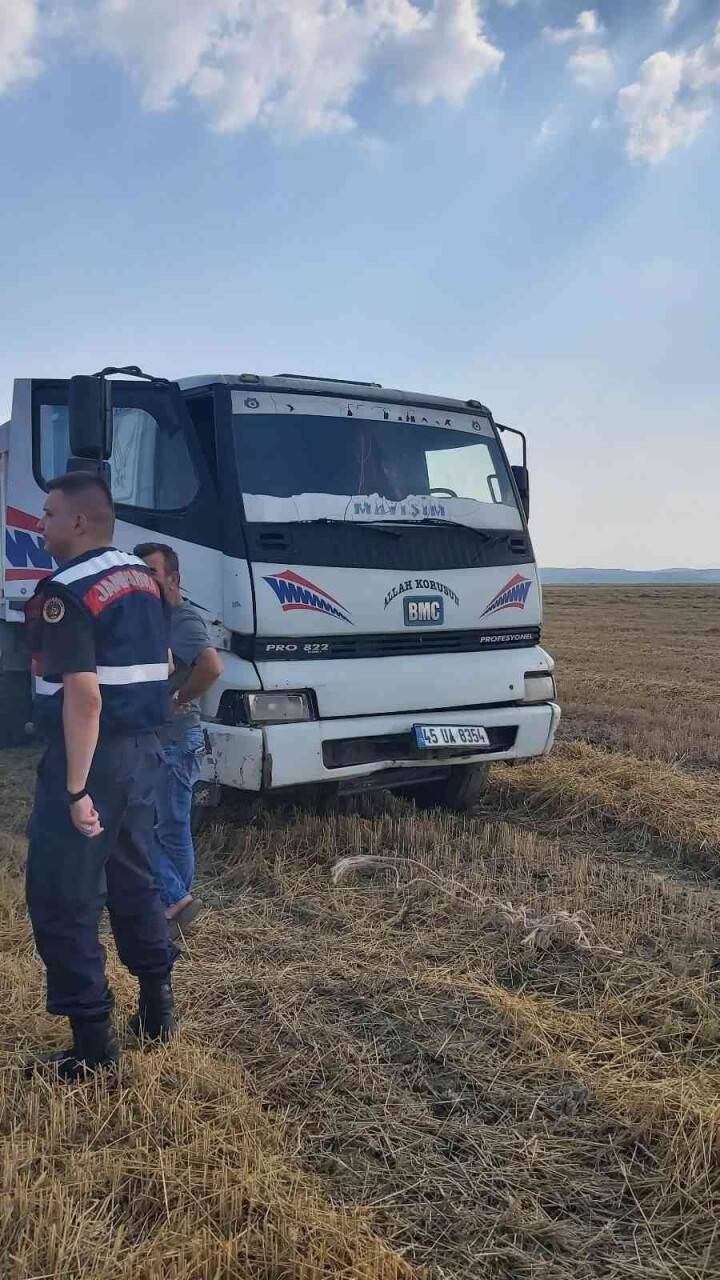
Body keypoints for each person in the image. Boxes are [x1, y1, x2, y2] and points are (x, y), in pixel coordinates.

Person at [24, 472, 177, 1080]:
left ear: (78, 522)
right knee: (135, 880)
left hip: (89, 756)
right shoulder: (144, 579)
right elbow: (163, 664)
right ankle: (157, 1008)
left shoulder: (63, 590)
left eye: (48, 513)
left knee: (62, 895)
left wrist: (75, 789)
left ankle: (92, 1048)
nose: (41, 524)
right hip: (143, 751)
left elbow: (82, 699)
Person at [134, 542, 223, 938]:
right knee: (163, 827)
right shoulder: (154, 616)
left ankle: (176, 901)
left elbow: (211, 667)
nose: (144, 580)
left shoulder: (183, 620)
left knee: (160, 828)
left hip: (176, 741)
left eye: (151, 572)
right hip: (158, 740)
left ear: (173, 578)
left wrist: (177, 699)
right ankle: (175, 906)